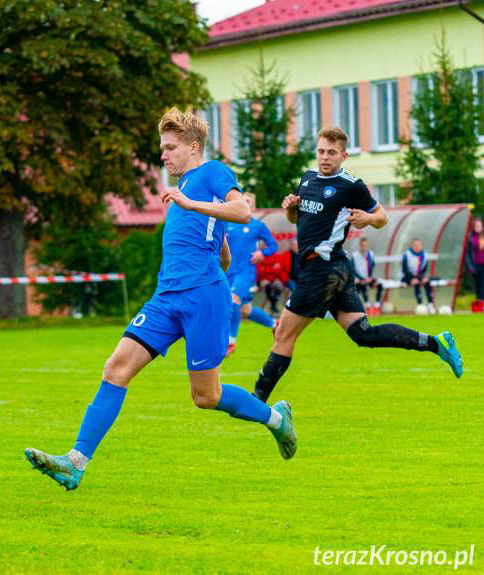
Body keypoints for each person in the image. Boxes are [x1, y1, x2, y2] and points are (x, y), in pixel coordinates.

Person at [24, 108, 298, 492]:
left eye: (170, 148)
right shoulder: (183, 186)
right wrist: (210, 240)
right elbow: (220, 249)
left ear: (193, 147)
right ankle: (75, 462)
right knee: (115, 369)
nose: (163, 156)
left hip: (203, 298)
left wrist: (192, 208)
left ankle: (274, 418)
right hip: (166, 297)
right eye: (162, 148)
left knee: (206, 396)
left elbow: (242, 210)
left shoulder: (211, 173)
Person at [251, 126, 462, 405]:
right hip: (334, 268)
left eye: (332, 153)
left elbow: (382, 217)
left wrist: (368, 219)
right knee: (364, 334)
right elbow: (296, 221)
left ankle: (256, 401)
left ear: (344, 155)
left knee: (283, 334)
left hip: (323, 268)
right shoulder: (308, 179)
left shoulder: (351, 185)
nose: (325, 157)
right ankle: (436, 343)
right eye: (321, 151)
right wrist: (291, 207)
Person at [225, 192, 278, 357]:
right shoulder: (227, 224)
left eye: (248, 201)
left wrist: (262, 254)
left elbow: (273, 245)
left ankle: (230, 342)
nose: (244, 203)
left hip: (245, 272)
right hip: (228, 273)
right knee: (245, 310)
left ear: (253, 207)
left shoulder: (257, 226)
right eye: (242, 201)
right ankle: (274, 323)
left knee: (233, 300)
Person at [402, 239, 436, 313]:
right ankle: (420, 304)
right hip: (407, 277)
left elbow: (424, 270)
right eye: (416, 245)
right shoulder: (407, 255)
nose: (418, 247)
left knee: (427, 282)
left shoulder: (425, 255)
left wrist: (423, 277)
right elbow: (404, 270)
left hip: (419, 276)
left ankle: (430, 304)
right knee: (416, 283)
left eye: (419, 245)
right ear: (412, 246)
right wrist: (412, 278)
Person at [352, 237, 383, 314]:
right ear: (360, 246)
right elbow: (353, 270)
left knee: (379, 285)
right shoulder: (354, 255)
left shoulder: (370, 254)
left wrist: (370, 278)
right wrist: (361, 278)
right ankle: (368, 307)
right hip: (358, 279)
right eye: (363, 245)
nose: (365, 247)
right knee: (362, 286)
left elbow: (372, 266)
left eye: (366, 245)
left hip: (368, 278)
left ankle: (376, 306)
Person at [466, 218, 484, 313]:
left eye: (480, 226)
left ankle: (482, 303)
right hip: (475, 266)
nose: (478, 228)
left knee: (483, 285)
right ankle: (480, 304)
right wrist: (470, 267)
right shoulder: (470, 238)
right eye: (477, 226)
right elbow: (467, 254)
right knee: (478, 286)